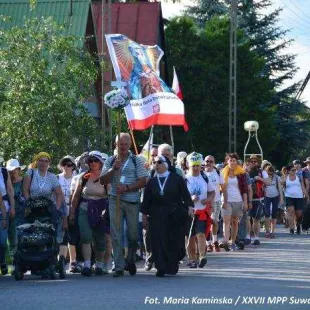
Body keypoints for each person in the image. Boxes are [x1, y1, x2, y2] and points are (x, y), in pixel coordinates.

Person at [100, 133, 148, 277]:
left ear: (130, 145)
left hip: (132, 201)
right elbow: (103, 180)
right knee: (116, 233)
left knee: (133, 234)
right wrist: (113, 169)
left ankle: (131, 257)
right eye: (120, 144)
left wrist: (127, 188)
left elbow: (143, 180)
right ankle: (118, 265)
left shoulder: (136, 160)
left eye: (126, 144)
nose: (123, 147)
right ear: (116, 145)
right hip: (115, 200)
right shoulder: (110, 160)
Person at [141, 155, 193, 277]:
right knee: (158, 241)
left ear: (166, 164)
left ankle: (172, 265)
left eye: (159, 162)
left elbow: (185, 195)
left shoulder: (177, 179)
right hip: (156, 215)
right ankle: (160, 267)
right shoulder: (152, 181)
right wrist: (143, 216)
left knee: (173, 240)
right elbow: (146, 200)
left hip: (173, 214)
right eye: (154, 162)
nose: (156, 164)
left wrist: (190, 207)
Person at [70, 151, 109, 276]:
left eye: (95, 161)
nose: (92, 163)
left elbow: (110, 196)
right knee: (86, 236)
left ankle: (99, 264)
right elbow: (76, 197)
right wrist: (71, 213)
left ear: (100, 163)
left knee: (100, 238)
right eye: (90, 161)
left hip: (101, 210)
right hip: (85, 209)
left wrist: (108, 211)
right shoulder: (84, 177)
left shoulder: (105, 177)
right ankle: (87, 264)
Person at [186, 152, 215, 268]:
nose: (196, 168)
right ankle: (192, 259)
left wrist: (208, 199)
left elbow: (212, 192)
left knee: (201, 234)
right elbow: (179, 196)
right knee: (190, 238)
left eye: (198, 165)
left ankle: (202, 256)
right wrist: (190, 199)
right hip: (189, 212)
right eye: (194, 165)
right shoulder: (185, 178)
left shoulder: (204, 177)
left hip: (202, 211)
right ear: (189, 165)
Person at [220, 153, 248, 251]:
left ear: (237, 162)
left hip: (238, 199)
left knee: (235, 222)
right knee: (226, 221)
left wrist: (245, 202)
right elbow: (220, 188)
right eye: (230, 160)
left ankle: (233, 242)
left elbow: (244, 189)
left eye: (234, 160)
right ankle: (226, 241)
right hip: (226, 200)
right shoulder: (222, 172)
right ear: (227, 161)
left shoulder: (241, 173)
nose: (232, 162)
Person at [57, 155, 76, 272]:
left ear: (73, 166)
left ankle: (73, 261)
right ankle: (61, 261)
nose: (66, 167)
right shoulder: (56, 178)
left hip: (73, 210)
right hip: (60, 211)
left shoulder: (77, 178)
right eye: (64, 164)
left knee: (73, 237)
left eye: (69, 164)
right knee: (61, 237)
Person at [5, 159, 26, 262]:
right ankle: (15, 261)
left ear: (18, 169)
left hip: (22, 212)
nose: (13, 172)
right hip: (7, 211)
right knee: (11, 236)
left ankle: (23, 259)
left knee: (21, 236)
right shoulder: (5, 182)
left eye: (15, 170)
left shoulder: (24, 180)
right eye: (10, 170)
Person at [281, 165, 309, 235]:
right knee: (291, 212)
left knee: (299, 214)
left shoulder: (299, 177)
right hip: (289, 197)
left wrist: (307, 196)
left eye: (295, 170)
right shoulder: (285, 177)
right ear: (288, 171)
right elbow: (281, 183)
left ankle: (298, 225)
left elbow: (302, 186)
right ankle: (292, 228)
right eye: (292, 170)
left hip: (299, 197)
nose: (294, 171)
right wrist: (285, 176)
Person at [0, 163, 15, 275]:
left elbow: (10, 190)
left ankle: (2, 261)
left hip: (3, 210)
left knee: (3, 242)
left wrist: (13, 207)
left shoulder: (4, 172)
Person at [204, 155, 222, 252]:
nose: (209, 163)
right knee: (206, 223)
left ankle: (215, 241)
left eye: (211, 161)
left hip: (216, 201)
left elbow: (223, 187)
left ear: (214, 163)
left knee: (214, 222)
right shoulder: (202, 174)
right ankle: (208, 243)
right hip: (205, 202)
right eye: (207, 161)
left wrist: (225, 200)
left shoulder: (218, 173)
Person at [247, 155, 265, 245]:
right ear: (249, 162)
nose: (253, 163)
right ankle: (247, 236)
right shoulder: (244, 172)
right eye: (251, 161)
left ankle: (256, 238)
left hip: (258, 198)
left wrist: (259, 178)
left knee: (256, 219)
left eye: (255, 161)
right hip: (246, 198)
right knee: (247, 218)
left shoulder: (261, 172)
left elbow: (268, 182)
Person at [262, 165, 284, 238]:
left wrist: (281, 199)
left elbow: (280, 189)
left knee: (274, 214)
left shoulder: (277, 178)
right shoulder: (264, 177)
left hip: (275, 196)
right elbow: (261, 187)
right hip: (266, 197)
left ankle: (272, 231)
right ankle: (267, 231)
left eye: (271, 173)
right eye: (269, 173)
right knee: (267, 214)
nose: (270, 174)